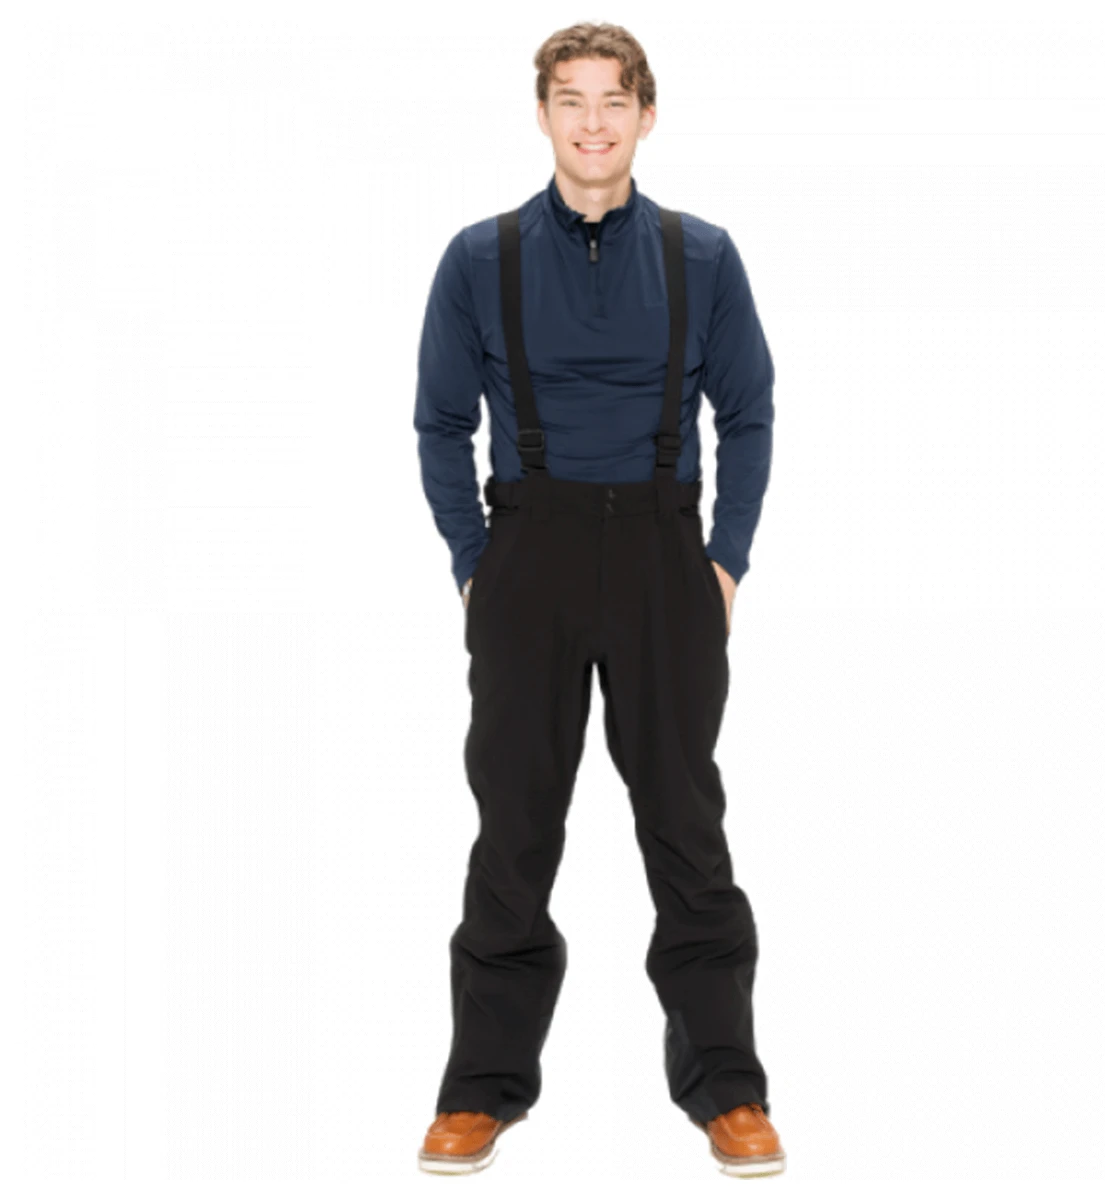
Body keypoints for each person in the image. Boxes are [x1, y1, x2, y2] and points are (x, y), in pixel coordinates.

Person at [413, 23, 783, 1178]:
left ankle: (728, 1087)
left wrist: (725, 560)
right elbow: (439, 424)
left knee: (685, 823)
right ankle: (481, 1088)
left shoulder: (702, 254)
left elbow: (750, 413)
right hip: (529, 550)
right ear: (542, 115)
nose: (591, 122)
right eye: (569, 100)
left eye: (612, 100)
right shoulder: (478, 258)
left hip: (667, 554)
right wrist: (475, 564)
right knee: (514, 826)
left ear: (645, 115)